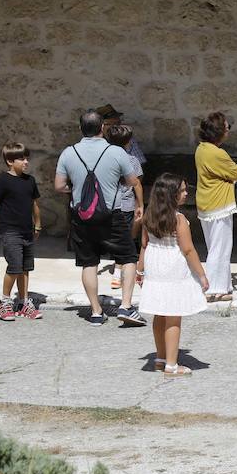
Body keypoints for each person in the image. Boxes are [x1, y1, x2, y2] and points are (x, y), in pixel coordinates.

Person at [54, 110, 141, 325]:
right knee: (128, 257)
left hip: (82, 216)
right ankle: (126, 306)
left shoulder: (68, 152)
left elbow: (59, 186)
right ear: (102, 128)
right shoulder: (116, 152)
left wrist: (77, 190)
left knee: (89, 263)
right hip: (112, 214)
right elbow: (132, 181)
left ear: (81, 129)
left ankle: (95, 311)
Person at [136, 173, 209, 378]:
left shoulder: (149, 215)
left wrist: (140, 269)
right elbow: (188, 250)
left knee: (160, 313)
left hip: (155, 266)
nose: (186, 194)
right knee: (174, 316)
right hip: (172, 268)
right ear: (171, 195)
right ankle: (171, 365)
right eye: (182, 191)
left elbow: (144, 244)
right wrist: (202, 275)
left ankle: (160, 358)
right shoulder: (179, 220)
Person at [194, 112, 237, 303]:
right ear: (219, 132)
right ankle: (215, 288)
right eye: (226, 127)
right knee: (220, 248)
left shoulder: (202, 149)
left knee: (214, 246)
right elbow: (232, 169)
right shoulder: (217, 153)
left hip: (206, 203)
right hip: (218, 204)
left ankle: (220, 285)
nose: (228, 130)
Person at [0, 142, 42, 321]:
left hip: (27, 230)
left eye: (27, 158)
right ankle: (4, 302)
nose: (26, 162)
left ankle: (23, 302)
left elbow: (35, 204)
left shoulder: (30, 181)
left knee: (25, 268)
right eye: (22, 159)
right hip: (10, 231)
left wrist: (38, 225)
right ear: (10, 161)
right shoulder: (3, 181)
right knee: (14, 267)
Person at [104, 124, 146, 324]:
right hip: (127, 205)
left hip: (109, 205)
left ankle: (117, 272)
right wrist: (140, 204)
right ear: (128, 141)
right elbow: (137, 183)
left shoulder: (105, 158)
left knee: (116, 240)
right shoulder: (131, 160)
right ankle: (121, 272)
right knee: (128, 241)